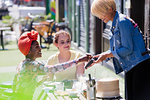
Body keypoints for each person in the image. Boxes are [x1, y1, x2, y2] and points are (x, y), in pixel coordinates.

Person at [89, 0, 150, 100]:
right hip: (131, 66)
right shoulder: (115, 23)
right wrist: (102, 56)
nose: (100, 17)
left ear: (109, 9)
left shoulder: (122, 22)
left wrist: (107, 55)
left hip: (139, 66)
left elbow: (127, 49)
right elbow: (116, 49)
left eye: (100, 13)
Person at [10, 30, 92, 100]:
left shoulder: (26, 63)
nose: (40, 48)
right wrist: (78, 61)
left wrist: (40, 81)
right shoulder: (31, 65)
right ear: (29, 51)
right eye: (36, 47)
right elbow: (54, 68)